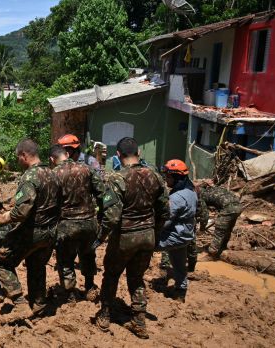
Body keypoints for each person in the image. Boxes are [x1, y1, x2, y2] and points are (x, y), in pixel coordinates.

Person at [93, 137, 169, 339]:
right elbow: (164, 210)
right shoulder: (156, 176)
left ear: (118, 155)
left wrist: (101, 237)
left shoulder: (118, 178)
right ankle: (139, 321)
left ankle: (105, 315)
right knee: (136, 278)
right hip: (148, 236)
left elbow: (112, 215)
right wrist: (155, 231)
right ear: (139, 153)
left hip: (125, 236)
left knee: (111, 275)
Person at [0, 139, 60, 321]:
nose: (18, 161)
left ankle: (20, 304)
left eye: (18, 157)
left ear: (24, 155)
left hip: (32, 232)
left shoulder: (30, 177)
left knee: (0, 260)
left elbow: (21, 211)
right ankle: (39, 305)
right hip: (51, 232)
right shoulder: (53, 174)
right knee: (36, 265)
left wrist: (1, 219)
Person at [49, 145, 105, 301]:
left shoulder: (53, 174)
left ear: (52, 160)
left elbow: (50, 203)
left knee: (65, 259)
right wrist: (100, 217)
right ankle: (89, 287)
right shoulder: (86, 169)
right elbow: (102, 193)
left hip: (67, 224)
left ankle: (70, 293)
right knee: (88, 255)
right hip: (89, 222)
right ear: (67, 154)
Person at [158, 159, 197, 303]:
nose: (166, 179)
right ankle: (181, 291)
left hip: (173, 236)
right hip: (185, 236)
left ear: (176, 178)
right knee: (179, 265)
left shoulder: (176, 197)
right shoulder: (191, 192)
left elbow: (165, 221)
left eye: (168, 176)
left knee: (143, 246)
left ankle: (137, 280)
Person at [196, 181, 242, 258]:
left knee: (219, 231)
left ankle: (211, 253)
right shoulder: (214, 189)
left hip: (228, 208)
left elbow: (205, 215)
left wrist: (202, 229)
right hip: (239, 207)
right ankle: (222, 248)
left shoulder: (201, 196)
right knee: (227, 229)